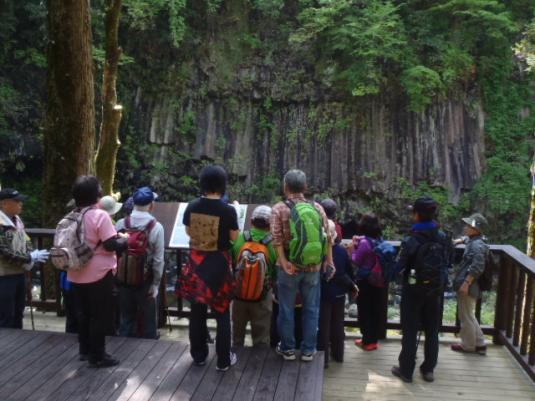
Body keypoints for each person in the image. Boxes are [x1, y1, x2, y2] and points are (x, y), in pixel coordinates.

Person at [178, 165, 239, 372]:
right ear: (222, 185)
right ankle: (223, 360)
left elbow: (188, 231)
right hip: (220, 266)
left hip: (197, 264)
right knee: (222, 314)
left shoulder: (193, 205)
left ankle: (199, 356)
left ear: (203, 184)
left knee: (197, 312)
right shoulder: (228, 210)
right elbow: (234, 238)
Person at [271, 169, 332, 362]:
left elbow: (277, 240)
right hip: (313, 267)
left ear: (285, 187)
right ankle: (308, 350)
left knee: (287, 309)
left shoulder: (279, 209)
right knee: (311, 309)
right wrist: (328, 261)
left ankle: (288, 349)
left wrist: (284, 262)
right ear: (305, 187)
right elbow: (327, 237)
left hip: (289, 267)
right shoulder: (317, 208)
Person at [67, 176, 128, 368]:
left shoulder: (72, 215)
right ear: (96, 195)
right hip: (98, 273)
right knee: (99, 315)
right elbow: (111, 245)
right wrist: (125, 240)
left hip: (75, 271)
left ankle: (84, 350)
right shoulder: (100, 215)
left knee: (83, 313)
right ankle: (98, 355)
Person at [391, 197, 453, 383]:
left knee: (410, 330)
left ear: (417, 215)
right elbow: (448, 262)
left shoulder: (411, 240)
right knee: (432, 330)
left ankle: (406, 370)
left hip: (413, 290)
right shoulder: (443, 238)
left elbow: (397, 268)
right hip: (435, 290)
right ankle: (428, 370)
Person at [116, 187, 165, 339]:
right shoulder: (156, 227)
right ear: (151, 205)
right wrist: (156, 284)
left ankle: (124, 347)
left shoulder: (120, 223)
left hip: (123, 277)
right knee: (149, 321)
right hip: (145, 278)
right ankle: (148, 352)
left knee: (126, 318)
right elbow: (158, 260)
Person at [0, 188, 49, 328]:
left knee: (18, 313)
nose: (21, 204)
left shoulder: (17, 220)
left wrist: (32, 255)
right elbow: (4, 251)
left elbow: (26, 240)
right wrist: (29, 258)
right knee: (5, 316)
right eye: (16, 201)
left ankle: (19, 346)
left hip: (19, 273)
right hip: (3, 277)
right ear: (4, 204)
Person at [231, 205, 277, 347]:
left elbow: (233, 262)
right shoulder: (274, 244)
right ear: (270, 225)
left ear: (251, 221)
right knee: (261, 337)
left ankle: (235, 358)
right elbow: (275, 270)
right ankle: (258, 365)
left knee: (237, 336)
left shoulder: (240, 239)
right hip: (262, 296)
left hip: (239, 295)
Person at [318, 220, 358, 368]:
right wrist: (351, 286)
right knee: (337, 324)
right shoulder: (341, 251)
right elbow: (349, 272)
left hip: (323, 293)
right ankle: (339, 354)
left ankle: (324, 359)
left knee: (323, 325)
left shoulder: (319, 252)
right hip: (340, 294)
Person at [451, 213, 489, 355]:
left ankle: (467, 346)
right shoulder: (475, 240)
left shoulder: (477, 246)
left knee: (465, 316)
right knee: (469, 314)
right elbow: (470, 239)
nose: (466, 227)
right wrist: (460, 240)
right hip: (471, 284)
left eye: (469, 225)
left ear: (476, 229)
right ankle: (480, 344)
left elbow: (478, 266)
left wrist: (466, 283)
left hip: (469, 284)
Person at [352, 214, 385, 351]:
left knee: (364, 310)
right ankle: (372, 339)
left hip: (365, 280)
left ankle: (368, 341)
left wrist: (352, 249)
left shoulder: (365, 243)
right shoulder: (379, 240)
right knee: (374, 309)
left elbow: (356, 260)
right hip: (377, 279)